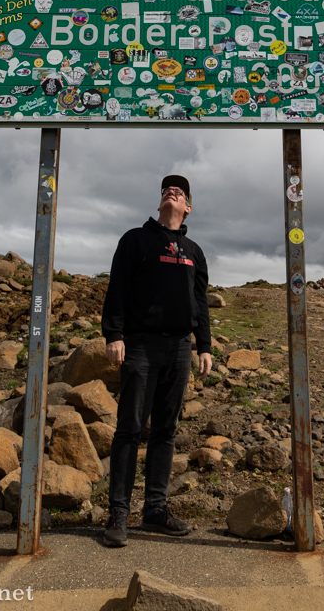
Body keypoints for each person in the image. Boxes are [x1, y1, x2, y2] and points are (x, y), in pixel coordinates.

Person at [101, 175, 212, 547]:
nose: (172, 192)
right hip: (140, 346)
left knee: (165, 430)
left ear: (187, 207)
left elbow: (201, 305)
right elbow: (117, 289)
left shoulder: (194, 251)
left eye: (179, 191)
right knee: (130, 428)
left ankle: (155, 509)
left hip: (179, 348)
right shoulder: (135, 240)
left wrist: (205, 346)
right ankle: (118, 513)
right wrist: (114, 335)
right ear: (161, 201)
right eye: (167, 189)